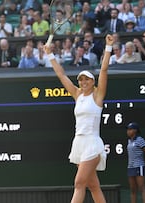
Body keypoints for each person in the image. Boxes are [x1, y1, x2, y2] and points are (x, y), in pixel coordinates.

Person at [43, 34, 114, 203]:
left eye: (86, 79)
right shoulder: (77, 94)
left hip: (92, 143)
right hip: (78, 144)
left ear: (92, 81)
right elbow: (61, 75)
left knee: (79, 182)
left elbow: (103, 70)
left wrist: (109, 47)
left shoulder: (98, 96)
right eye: (81, 80)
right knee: (93, 186)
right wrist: (50, 54)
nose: (83, 82)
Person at [126, 122, 145, 203]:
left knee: (141, 188)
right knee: (133, 189)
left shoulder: (140, 140)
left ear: (135, 130)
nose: (128, 131)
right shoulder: (129, 141)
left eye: (130, 129)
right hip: (130, 167)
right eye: (127, 129)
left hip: (139, 166)